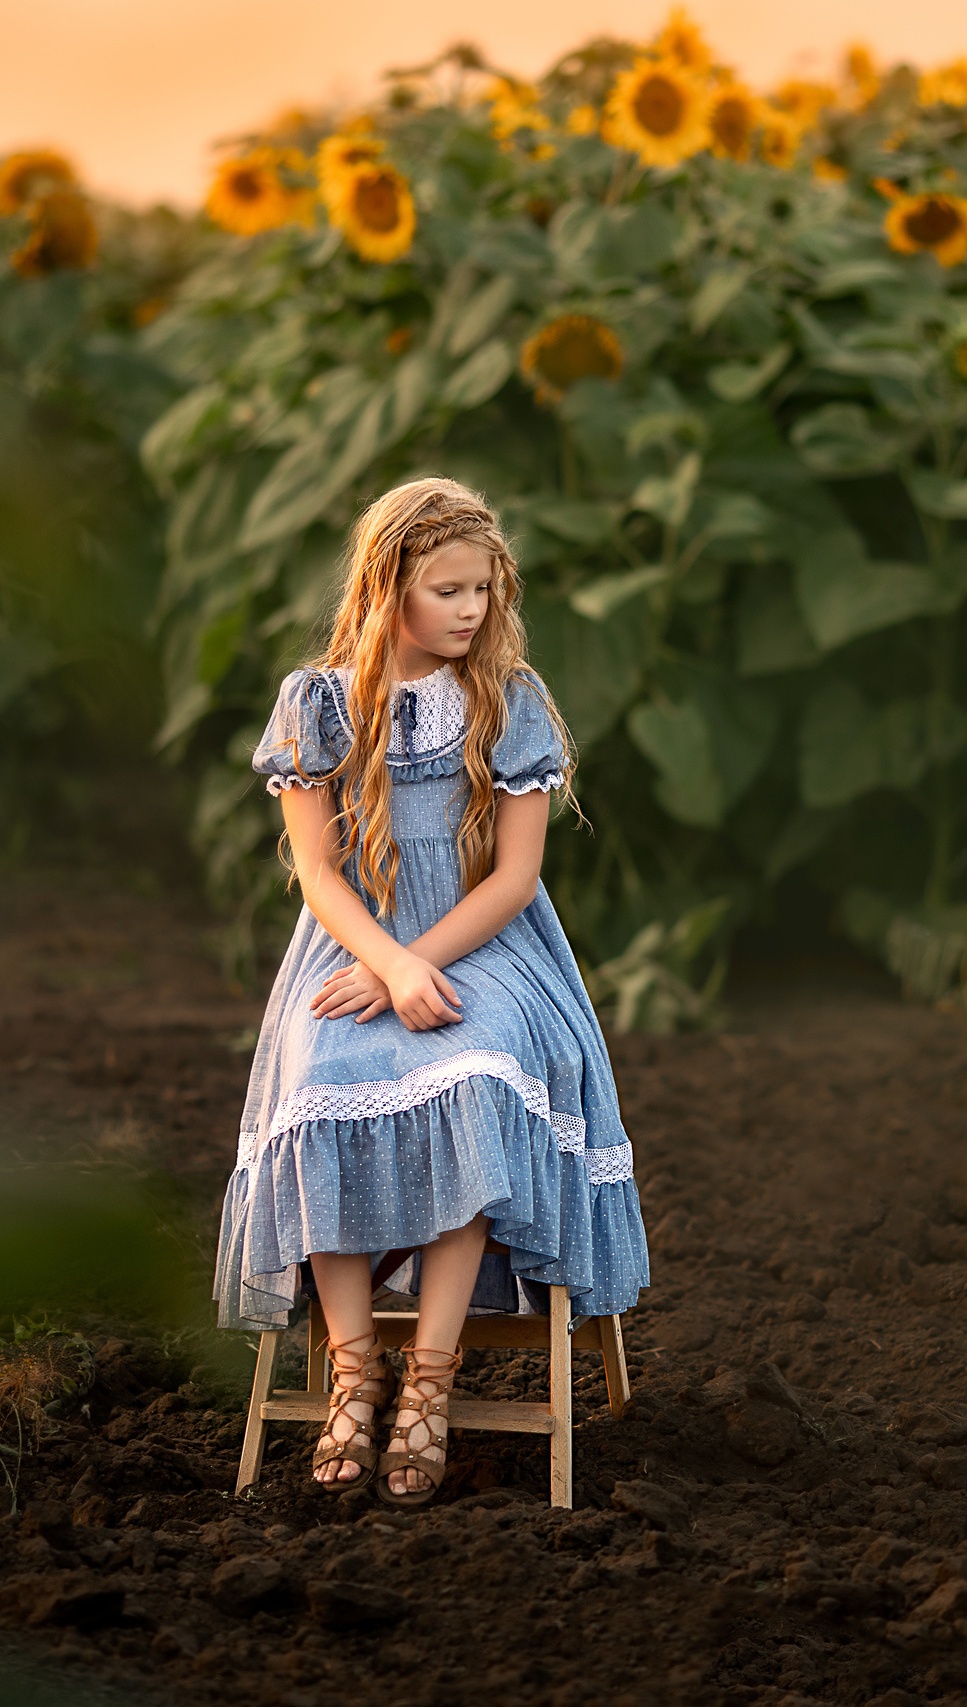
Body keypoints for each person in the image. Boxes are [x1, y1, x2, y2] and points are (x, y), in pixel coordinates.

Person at [213, 475, 649, 1506]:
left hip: (482, 944)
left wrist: (421, 964)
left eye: (484, 591)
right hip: (354, 942)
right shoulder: (320, 703)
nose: (470, 611)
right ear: (387, 587)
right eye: (447, 590)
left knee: (477, 1072)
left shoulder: (511, 702)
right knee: (323, 1075)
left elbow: (513, 877)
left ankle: (430, 1379)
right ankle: (355, 1374)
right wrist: (382, 961)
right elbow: (319, 873)